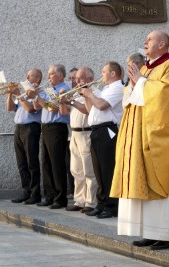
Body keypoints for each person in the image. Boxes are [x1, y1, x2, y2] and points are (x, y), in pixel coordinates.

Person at [110, 30, 169, 250]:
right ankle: (151, 232)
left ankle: (168, 234)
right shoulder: (147, 67)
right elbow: (130, 100)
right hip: (142, 133)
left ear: (162, 44)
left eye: (149, 40)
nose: (144, 43)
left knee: (163, 181)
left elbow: (163, 96)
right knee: (147, 185)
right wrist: (133, 83)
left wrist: (140, 82)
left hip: (162, 136)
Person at [80, 61, 123, 219]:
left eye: (104, 72)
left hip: (108, 130)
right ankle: (101, 203)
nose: (101, 75)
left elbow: (102, 105)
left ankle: (112, 207)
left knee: (108, 170)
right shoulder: (106, 88)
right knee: (98, 171)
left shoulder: (118, 87)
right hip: (97, 130)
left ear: (113, 73)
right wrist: (86, 96)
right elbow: (92, 109)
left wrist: (90, 94)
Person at [28, 64, 70, 209]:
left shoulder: (64, 89)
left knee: (57, 163)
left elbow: (53, 107)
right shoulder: (48, 90)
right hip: (45, 128)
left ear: (60, 75)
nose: (48, 77)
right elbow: (37, 107)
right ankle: (50, 195)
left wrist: (37, 97)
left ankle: (60, 198)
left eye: (51, 74)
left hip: (57, 128)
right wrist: (35, 94)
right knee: (46, 163)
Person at [60, 67, 98, 213]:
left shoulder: (92, 92)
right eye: (75, 79)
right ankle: (79, 200)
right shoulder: (75, 93)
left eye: (79, 78)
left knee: (89, 170)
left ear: (89, 78)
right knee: (76, 170)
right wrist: (63, 101)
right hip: (74, 134)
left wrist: (71, 102)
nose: (76, 81)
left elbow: (88, 110)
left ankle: (91, 202)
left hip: (86, 133)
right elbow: (64, 113)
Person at [7, 68, 42, 205]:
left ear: (39, 78)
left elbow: (30, 109)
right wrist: (10, 94)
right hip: (19, 128)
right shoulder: (22, 93)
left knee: (32, 162)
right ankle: (26, 192)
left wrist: (19, 95)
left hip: (31, 128)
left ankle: (35, 194)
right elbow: (10, 108)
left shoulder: (38, 93)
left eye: (33, 75)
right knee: (21, 163)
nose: (29, 77)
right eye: (28, 75)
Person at [66, 67, 78, 197]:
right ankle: (72, 190)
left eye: (74, 78)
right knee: (71, 165)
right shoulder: (69, 92)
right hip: (70, 132)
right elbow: (65, 112)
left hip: (80, 132)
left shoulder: (82, 92)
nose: (72, 81)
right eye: (70, 78)